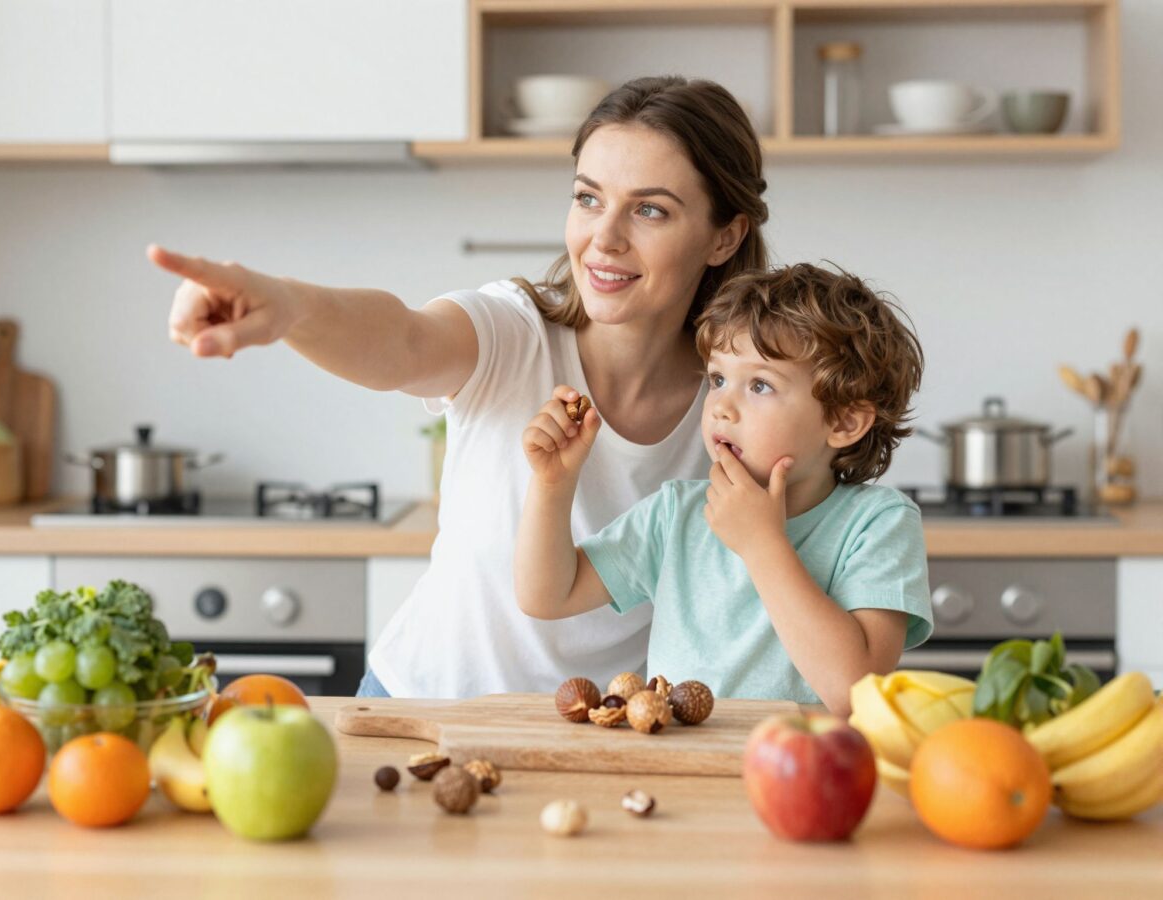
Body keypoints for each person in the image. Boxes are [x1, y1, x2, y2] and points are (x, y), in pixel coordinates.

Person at [150, 75, 771, 699]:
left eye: (649, 209)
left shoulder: (740, 403)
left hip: (594, 729)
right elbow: (403, 340)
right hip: (421, 705)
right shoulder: (515, 331)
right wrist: (289, 306)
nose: (603, 238)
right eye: (588, 198)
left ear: (725, 236)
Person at [514, 263, 932, 715]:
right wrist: (553, 484)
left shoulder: (878, 524)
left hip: (805, 761)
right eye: (717, 379)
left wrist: (762, 544)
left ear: (844, 421)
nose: (721, 408)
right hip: (682, 759)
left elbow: (856, 695)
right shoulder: (677, 514)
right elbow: (546, 595)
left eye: (760, 385)